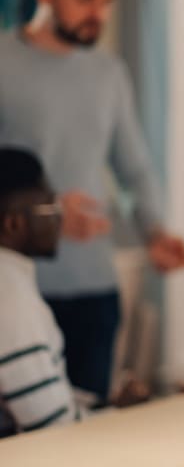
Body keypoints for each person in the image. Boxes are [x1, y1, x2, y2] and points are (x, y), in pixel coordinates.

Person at [0, 0, 184, 405]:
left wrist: (156, 230)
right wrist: (46, 211)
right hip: (14, 291)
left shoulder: (109, 74)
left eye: (107, 1)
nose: (98, 15)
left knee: (87, 435)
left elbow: (134, 167)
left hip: (94, 289)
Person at [0, 147, 82, 437]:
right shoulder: (11, 300)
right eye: (51, 207)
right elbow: (51, 427)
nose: (60, 218)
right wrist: (120, 415)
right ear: (13, 224)